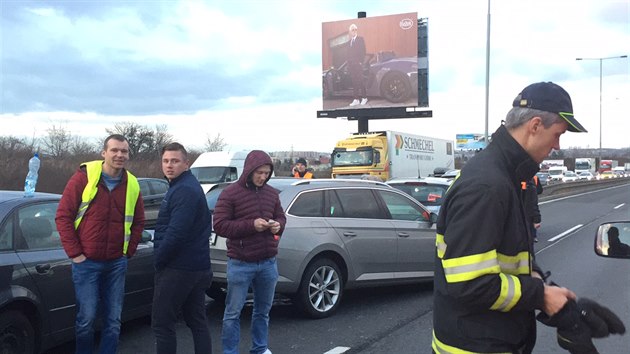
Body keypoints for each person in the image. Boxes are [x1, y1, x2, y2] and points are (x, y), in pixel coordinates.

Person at [432, 82, 587, 353]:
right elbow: (470, 284)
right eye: (557, 135)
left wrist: (539, 281)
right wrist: (540, 296)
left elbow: (509, 254)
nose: (558, 146)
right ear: (535, 126)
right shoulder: (487, 185)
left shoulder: (506, 174)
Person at [55, 134, 145, 354]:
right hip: (86, 263)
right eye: (114, 150)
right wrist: (76, 254)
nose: (119, 155)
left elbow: (139, 221)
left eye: (124, 151)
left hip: (116, 263)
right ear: (104, 153)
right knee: (86, 320)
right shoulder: (84, 178)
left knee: (113, 323)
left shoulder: (132, 183)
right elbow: (63, 216)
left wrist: (128, 251)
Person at [213, 150, 286, 354]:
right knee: (232, 313)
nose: (263, 177)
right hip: (240, 262)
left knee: (263, 311)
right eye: (259, 172)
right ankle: (230, 352)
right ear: (249, 170)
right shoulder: (229, 193)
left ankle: (260, 349)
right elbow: (219, 225)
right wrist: (251, 225)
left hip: (268, 262)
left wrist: (277, 226)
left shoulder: (272, 193)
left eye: (266, 172)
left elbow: (281, 217)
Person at [151, 142, 213, 354]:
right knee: (197, 320)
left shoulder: (184, 190)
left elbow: (176, 233)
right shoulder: (184, 186)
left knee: (162, 324)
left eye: (175, 161)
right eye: (166, 161)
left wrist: (159, 260)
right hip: (197, 267)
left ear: (186, 164)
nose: (169, 165)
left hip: (179, 268)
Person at [347, 23, 367, 107]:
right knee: (354, 82)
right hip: (352, 66)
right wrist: (349, 64)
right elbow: (347, 54)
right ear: (350, 32)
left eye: (355, 29)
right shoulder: (349, 42)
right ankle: (356, 99)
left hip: (358, 64)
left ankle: (364, 98)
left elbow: (363, 51)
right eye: (352, 30)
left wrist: (360, 62)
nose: (354, 31)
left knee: (360, 81)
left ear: (356, 30)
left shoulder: (360, 39)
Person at [522, 175, 543, 243]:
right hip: (528, 208)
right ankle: (533, 236)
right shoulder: (534, 178)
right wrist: (537, 219)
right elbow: (540, 190)